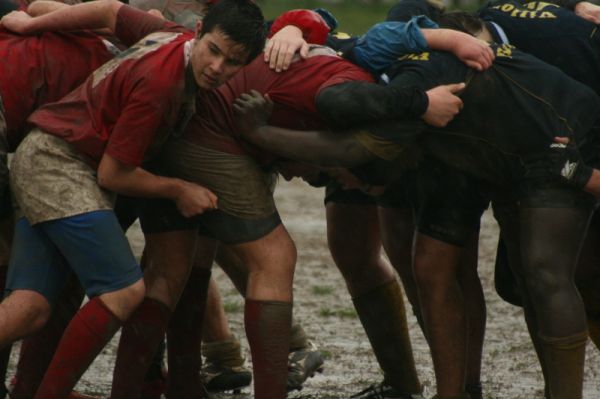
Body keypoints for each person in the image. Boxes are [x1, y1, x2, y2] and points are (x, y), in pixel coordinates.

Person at [231, 15, 600, 399]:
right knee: (431, 266)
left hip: (554, 134)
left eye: (327, 177)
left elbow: (348, 145)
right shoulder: (378, 82)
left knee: (540, 270)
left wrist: (262, 133)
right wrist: (291, 30)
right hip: (468, 154)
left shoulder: (390, 92)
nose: (334, 183)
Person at [0, 1, 265, 398]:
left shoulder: (173, 38)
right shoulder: (162, 85)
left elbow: (110, 10)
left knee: (31, 306)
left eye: (232, 63)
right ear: (198, 31)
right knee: (122, 291)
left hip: (43, 157)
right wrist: (178, 188)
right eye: (214, 50)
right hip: (58, 166)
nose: (217, 67)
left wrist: (33, 18)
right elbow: (113, 174)